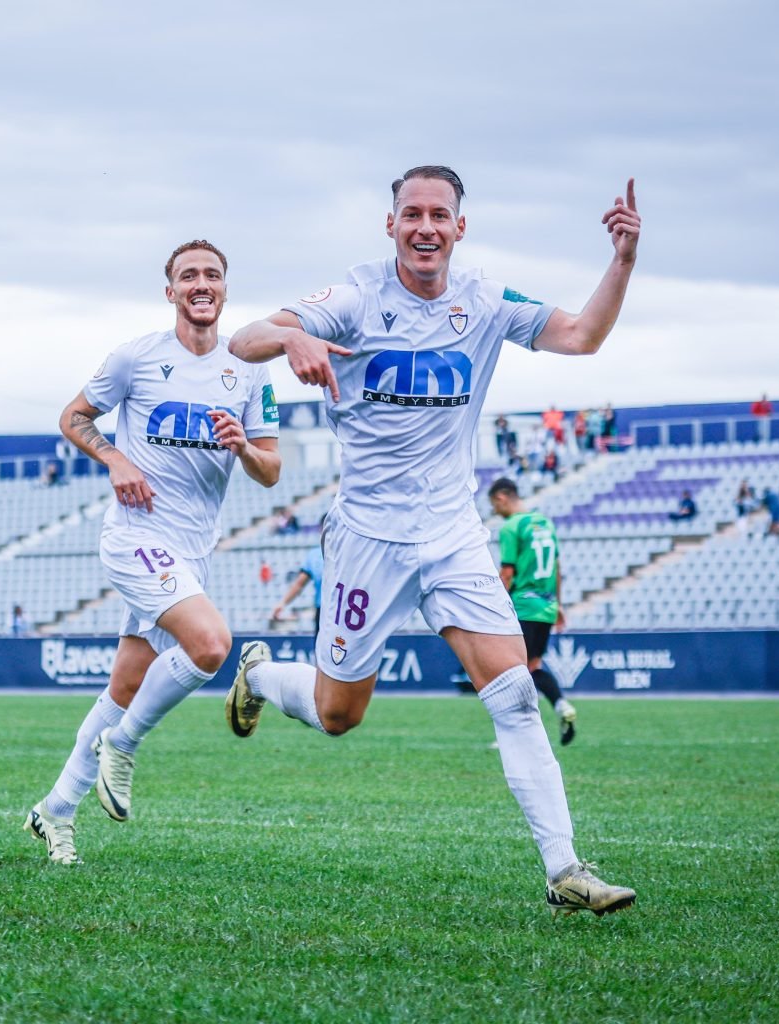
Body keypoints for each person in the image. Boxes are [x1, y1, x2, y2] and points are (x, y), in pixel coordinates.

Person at [223, 165, 640, 915]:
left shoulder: (484, 302)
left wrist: (622, 263)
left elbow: (581, 335)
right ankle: (259, 676)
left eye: (438, 215)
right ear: (391, 226)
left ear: (458, 228)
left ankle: (565, 869)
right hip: (366, 539)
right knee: (338, 715)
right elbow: (242, 336)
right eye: (410, 213)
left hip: (452, 536)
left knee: (513, 694)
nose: (424, 227)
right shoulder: (353, 298)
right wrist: (292, 339)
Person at [25, 240, 281, 865]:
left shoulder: (248, 368)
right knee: (212, 646)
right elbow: (73, 416)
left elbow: (271, 470)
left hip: (192, 552)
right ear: (170, 291)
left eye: (212, 275)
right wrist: (114, 457)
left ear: (225, 289)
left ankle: (55, 812)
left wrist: (244, 445)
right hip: (136, 539)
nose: (201, 284)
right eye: (187, 275)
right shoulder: (136, 358)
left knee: (123, 684)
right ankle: (125, 744)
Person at [487, 478, 577, 744]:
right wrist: (558, 604)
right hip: (546, 605)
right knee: (532, 666)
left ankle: (514, 733)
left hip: (524, 605)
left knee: (510, 670)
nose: (495, 510)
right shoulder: (545, 524)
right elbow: (557, 568)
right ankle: (561, 705)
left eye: (494, 504)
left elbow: (507, 573)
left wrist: (495, 605)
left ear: (502, 497)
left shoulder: (511, 527)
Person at [270, 538, 324, 633]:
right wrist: (282, 603)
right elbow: (299, 584)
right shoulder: (315, 555)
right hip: (323, 611)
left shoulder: (346, 553)